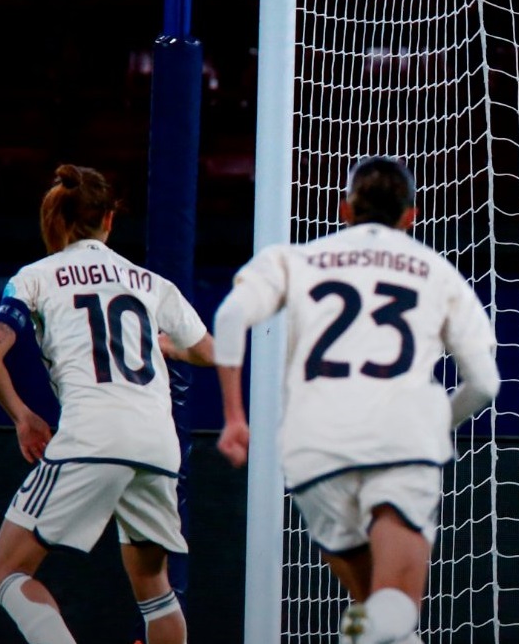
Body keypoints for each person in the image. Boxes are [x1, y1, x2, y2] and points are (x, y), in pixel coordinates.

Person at [212, 156, 501, 644]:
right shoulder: (439, 273)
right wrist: (438, 425)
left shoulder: (294, 258)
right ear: (411, 216)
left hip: (314, 448)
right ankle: (353, 636)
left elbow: (230, 317)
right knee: (394, 609)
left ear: (345, 209)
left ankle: (359, 631)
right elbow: (485, 385)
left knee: (374, 606)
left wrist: (234, 417)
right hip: (401, 441)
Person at [0, 164, 215, 644]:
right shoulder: (150, 283)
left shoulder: (36, 277)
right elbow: (211, 352)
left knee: (4, 571)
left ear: (55, 220)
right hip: (158, 444)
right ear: (109, 219)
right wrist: (166, 347)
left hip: (92, 437)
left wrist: (23, 417)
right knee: (155, 589)